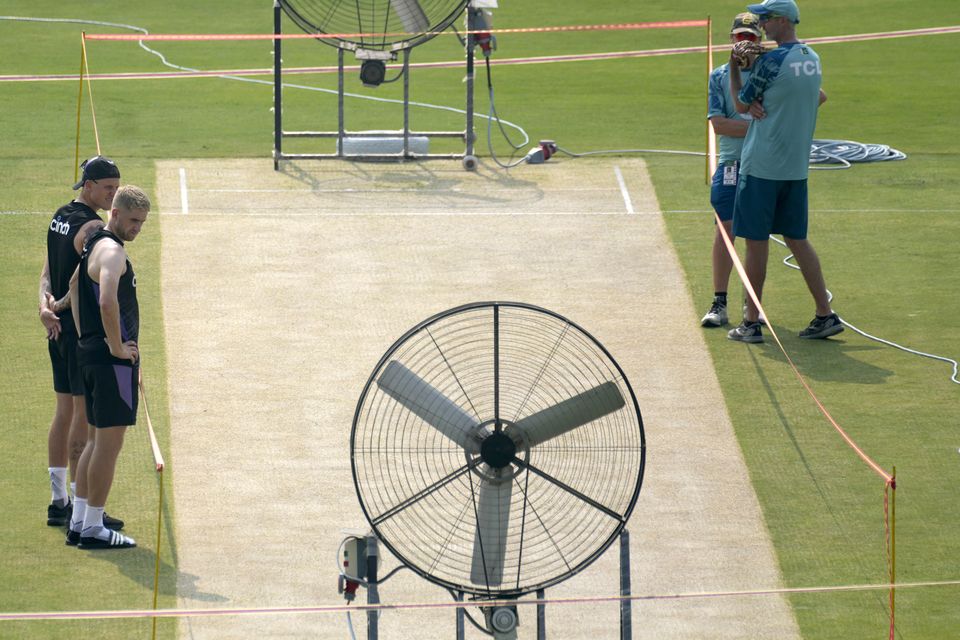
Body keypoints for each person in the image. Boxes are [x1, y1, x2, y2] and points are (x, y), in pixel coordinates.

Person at [726, 0, 840, 343]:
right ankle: (825, 313)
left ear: (781, 21)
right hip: (795, 168)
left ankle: (751, 321)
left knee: (756, 244)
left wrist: (735, 66)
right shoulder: (812, 57)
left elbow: (741, 105)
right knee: (797, 239)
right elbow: (818, 97)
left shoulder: (773, 61)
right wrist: (776, 100)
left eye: (764, 19)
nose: (760, 25)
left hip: (761, 166)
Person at [39, 156, 124, 533]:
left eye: (116, 188)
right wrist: (59, 304)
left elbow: (47, 268)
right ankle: (80, 508)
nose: (113, 194)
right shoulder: (91, 228)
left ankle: (59, 502)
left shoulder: (60, 216)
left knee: (63, 413)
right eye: (108, 188)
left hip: (55, 331)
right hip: (75, 332)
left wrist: (43, 304)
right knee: (84, 420)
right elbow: (76, 281)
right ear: (88, 187)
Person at [66, 185, 150, 549]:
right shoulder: (113, 253)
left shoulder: (93, 246)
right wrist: (116, 347)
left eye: (142, 223)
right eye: (132, 220)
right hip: (111, 363)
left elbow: (73, 286)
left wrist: (87, 341)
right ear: (114, 213)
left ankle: (80, 522)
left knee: (95, 442)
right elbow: (106, 301)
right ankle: (95, 527)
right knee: (107, 447)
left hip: (90, 357)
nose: (137, 228)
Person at [701, 12, 764, 328]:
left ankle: (752, 308)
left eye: (750, 37)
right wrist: (757, 124)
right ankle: (719, 302)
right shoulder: (719, 76)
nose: (744, 44)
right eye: (740, 37)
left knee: (756, 236)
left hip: (764, 166)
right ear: (732, 40)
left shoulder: (771, 73)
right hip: (730, 164)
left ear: (759, 40)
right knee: (725, 231)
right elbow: (719, 124)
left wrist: (745, 125)